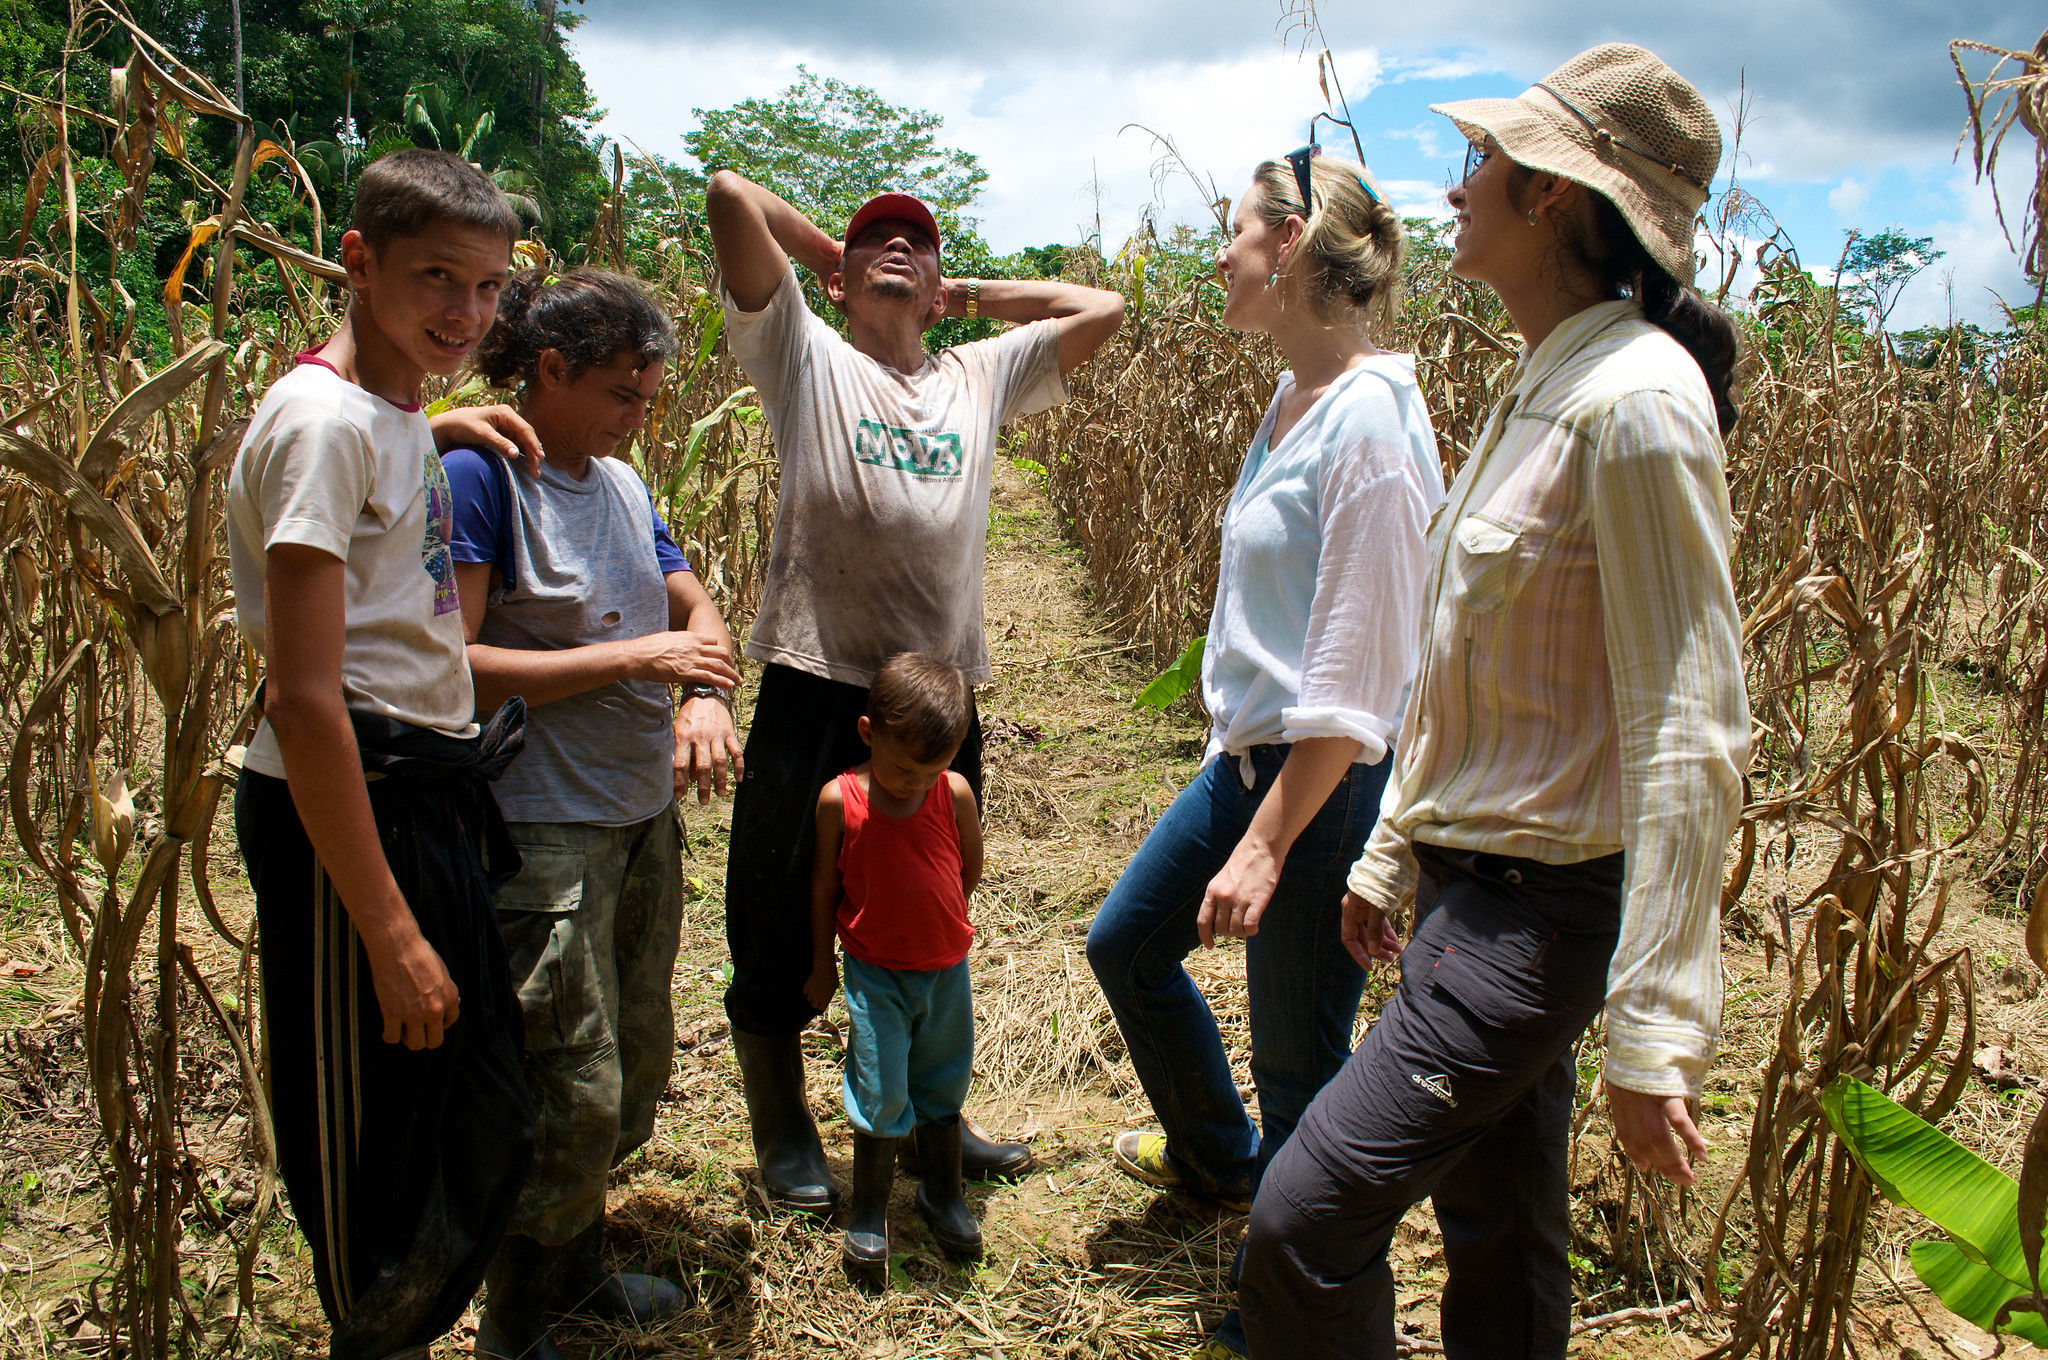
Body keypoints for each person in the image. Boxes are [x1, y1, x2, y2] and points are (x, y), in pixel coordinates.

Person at [1237, 44, 1751, 1359]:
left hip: (1536, 915)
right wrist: (1394, 844)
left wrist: (1655, 1028)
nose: (1453, 187)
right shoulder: (1545, 386)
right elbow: (1460, 661)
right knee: (1503, 1241)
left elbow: (1689, 727)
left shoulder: (1634, 407)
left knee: (1300, 1223)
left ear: (1556, 202)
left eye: (1484, 162)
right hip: (1473, 889)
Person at [703, 170, 1125, 1209]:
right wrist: (836, 272)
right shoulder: (805, 354)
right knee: (771, 902)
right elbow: (726, 195)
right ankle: (782, 1123)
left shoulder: (977, 373)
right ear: (836, 279)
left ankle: (936, 1111)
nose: (897, 245)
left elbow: (1100, 309)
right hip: (815, 679)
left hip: (936, 704)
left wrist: (958, 292)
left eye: (915, 242)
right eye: (872, 240)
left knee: (927, 915)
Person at [1084, 146, 1442, 1359]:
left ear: (1288, 244)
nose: (1220, 254)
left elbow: (1351, 689)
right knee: (1126, 943)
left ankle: (1282, 1321)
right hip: (1244, 758)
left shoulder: (1372, 429)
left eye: (1233, 231)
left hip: (1317, 785)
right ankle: (1219, 1159)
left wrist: (1268, 843)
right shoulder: (1293, 400)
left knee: (1300, 1070)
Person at [228, 148, 552, 1360]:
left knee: (474, 1114)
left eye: (486, 288)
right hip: (346, 808)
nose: (463, 314)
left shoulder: (390, 405)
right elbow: (306, 702)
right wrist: (390, 930)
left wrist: (431, 412)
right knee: (374, 1149)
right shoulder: (325, 426)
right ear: (355, 261)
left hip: (419, 790)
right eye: (434, 278)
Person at [441, 267, 746, 1359]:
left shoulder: (616, 481)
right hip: (541, 824)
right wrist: (642, 658)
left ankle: (574, 1265)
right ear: (551, 372)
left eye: (649, 398)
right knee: (565, 1080)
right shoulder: (484, 476)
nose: (637, 417)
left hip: (635, 810)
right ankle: (514, 1322)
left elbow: (690, 594)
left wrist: (703, 688)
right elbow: (462, 668)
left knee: (631, 1056)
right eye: (622, 393)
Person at [803, 652, 987, 1286]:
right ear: (867, 732)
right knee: (879, 1088)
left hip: (945, 971)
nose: (915, 781)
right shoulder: (841, 800)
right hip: (875, 973)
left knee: (942, 1081)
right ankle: (870, 1212)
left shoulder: (952, 792)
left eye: (931, 769)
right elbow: (825, 888)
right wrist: (821, 965)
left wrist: (938, 923)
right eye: (903, 766)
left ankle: (942, 1194)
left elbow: (968, 866)